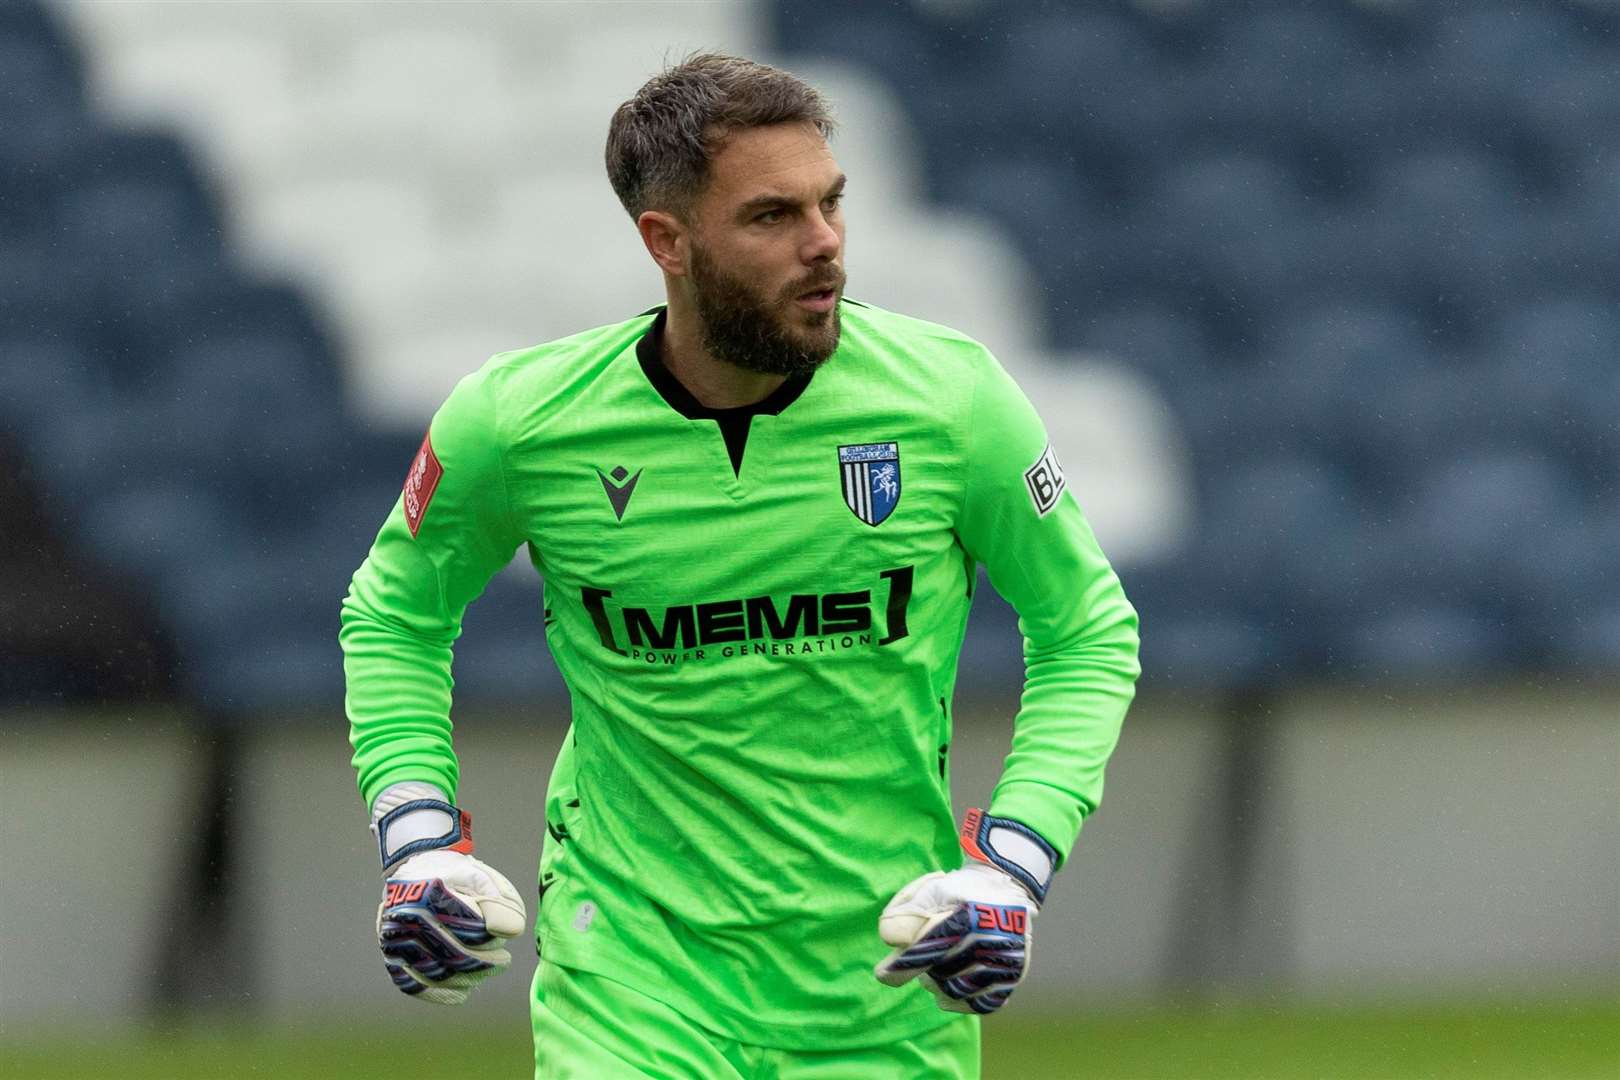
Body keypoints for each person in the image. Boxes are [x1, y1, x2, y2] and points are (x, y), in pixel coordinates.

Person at [341, 52, 1140, 1079]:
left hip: (889, 987)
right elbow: (395, 614)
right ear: (667, 242)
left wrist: (1013, 870)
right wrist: (417, 840)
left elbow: (1086, 629)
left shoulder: (951, 402)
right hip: (630, 988)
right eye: (772, 217)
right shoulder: (519, 422)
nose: (827, 248)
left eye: (831, 204)